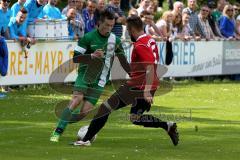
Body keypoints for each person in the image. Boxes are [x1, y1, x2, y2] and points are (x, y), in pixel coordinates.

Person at [73, 15, 179, 147]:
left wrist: (146, 91)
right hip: (150, 85)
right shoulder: (149, 39)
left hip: (138, 86)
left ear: (132, 30)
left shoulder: (140, 45)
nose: (128, 33)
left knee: (105, 108)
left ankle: (85, 140)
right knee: (136, 118)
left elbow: (150, 68)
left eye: (128, 30)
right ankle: (167, 126)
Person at [50, 9, 129, 142]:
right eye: (107, 25)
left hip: (100, 80)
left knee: (83, 113)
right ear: (99, 23)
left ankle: (64, 120)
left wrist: (133, 75)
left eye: (112, 26)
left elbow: (123, 61)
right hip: (85, 75)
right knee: (77, 99)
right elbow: (76, 58)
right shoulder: (88, 37)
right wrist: (91, 56)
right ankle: (58, 132)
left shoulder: (115, 40)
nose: (109, 29)